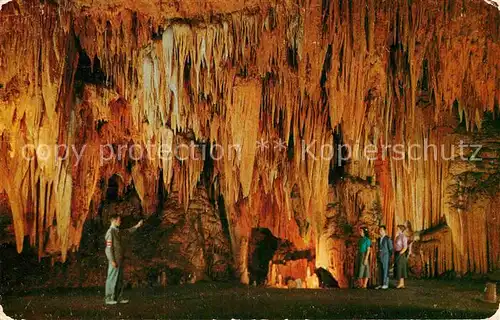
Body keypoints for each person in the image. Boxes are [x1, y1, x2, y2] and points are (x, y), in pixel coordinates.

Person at [105, 214, 144, 305]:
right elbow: (108, 248)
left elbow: (127, 231)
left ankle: (118, 297)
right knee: (111, 279)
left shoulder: (117, 231)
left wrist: (137, 226)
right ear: (114, 221)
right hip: (114, 260)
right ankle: (109, 299)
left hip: (119, 260)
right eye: (119, 220)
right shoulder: (110, 232)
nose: (120, 221)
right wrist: (112, 260)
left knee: (119, 279)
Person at [375, 225, 393, 290]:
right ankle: (380, 283)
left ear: (385, 231)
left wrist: (389, 257)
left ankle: (385, 284)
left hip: (386, 256)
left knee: (385, 270)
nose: (380, 231)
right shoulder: (379, 239)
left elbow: (391, 248)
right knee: (380, 270)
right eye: (379, 230)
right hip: (380, 256)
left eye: (381, 230)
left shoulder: (388, 238)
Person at [394, 224, 408, 289]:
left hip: (401, 253)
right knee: (398, 268)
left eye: (397, 229)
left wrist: (400, 253)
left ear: (400, 230)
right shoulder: (397, 236)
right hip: (397, 252)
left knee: (401, 268)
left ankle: (401, 283)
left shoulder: (403, 237)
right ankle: (401, 283)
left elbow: (405, 247)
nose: (396, 230)